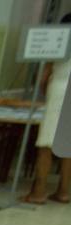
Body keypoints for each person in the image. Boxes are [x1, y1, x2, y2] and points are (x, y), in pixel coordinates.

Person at [23, 13, 71, 204]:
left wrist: (43, 85)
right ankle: (64, 191)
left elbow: (44, 78)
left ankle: (38, 192)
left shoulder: (59, 43)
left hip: (60, 91)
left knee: (46, 143)